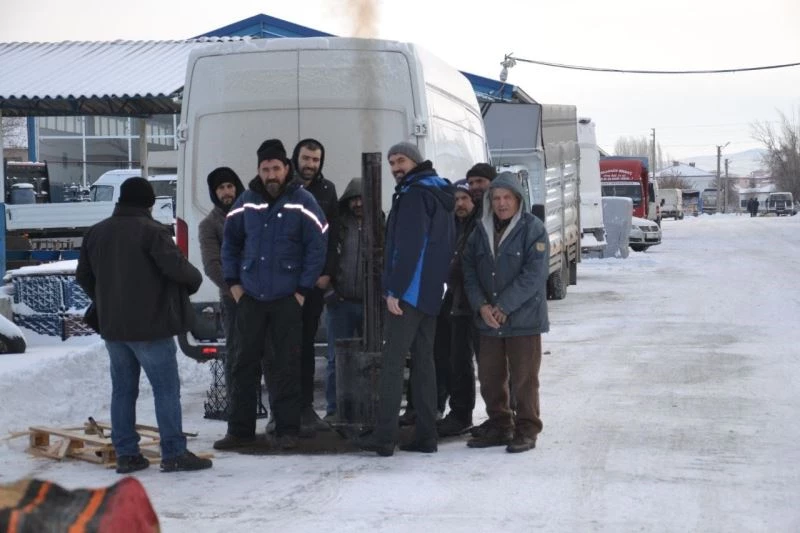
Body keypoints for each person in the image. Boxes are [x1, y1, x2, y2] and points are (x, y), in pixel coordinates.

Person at [76, 177, 212, 473]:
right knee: (166, 390)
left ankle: (126, 455)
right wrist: (194, 281)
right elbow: (179, 271)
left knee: (122, 391)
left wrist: (106, 300)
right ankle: (174, 453)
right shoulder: (153, 232)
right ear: (149, 203)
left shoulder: (96, 233)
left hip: (113, 329)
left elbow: (84, 276)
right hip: (151, 327)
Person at [213, 139, 328, 451]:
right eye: (265, 169)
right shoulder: (246, 202)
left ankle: (287, 429)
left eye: (276, 167)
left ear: (286, 168)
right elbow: (230, 245)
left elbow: (317, 248)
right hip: (250, 298)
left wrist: (302, 291)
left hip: (287, 300)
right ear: (259, 171)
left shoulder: (303, 201)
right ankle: (240, 431)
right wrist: (234, 284)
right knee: (242, 364)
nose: (271, 174)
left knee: (286, 365)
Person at [357, 142, 455, 456]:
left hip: (408, 294)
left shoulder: (414, 195)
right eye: (391, 162)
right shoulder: (440, 193)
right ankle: (427, 436)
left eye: (401, 160)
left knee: (392, 364)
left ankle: (384, 437)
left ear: (415, 161)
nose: (396, 167)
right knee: (425, 363)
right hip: (429, 293)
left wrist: (394, 290)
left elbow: (408, 248)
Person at [462, 171, 550, 453]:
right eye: (496, 198)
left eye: (507, 198)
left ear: (517, 200)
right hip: (488, 319)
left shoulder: (533, 228)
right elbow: (470, 271)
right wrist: (481, 305)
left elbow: (534, 275)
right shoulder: (480, 230)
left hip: (522, 319)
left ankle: (527, 428)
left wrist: (504, 306)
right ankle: (500, 424)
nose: (501, 204)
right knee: (489, 377)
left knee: (524, 378)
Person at [290, 138, 339, 433]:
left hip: (313, 283)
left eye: (316, 160)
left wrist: (327, 272)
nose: (310, 164)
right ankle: (283, 411)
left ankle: (306, 408)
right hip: (283, 283)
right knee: (281, 348)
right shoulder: (284, 187)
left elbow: (332, 235)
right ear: (296, 158)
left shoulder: (327, 190)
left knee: (307, 346)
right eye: (306, 158)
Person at [324, 177, 381, 420]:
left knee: (371, 360)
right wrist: (329, 294)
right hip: (341, 303)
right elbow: (323, 257)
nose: (358, 203)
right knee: (335, 360)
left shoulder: (382, 224)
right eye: (354, 199)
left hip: (372, 306)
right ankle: (335, 410)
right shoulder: (337, 226)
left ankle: (370, 409)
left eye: (363, 198)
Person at [436, 179, 480, 437]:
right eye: (456, 199)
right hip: (453, 303)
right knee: (455, 361)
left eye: (464, 198)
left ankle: (503, 416)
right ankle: (460, 413)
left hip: (472, 303)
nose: (460, 204)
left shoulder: (477, 228)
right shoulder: (450, 227)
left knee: (486, 365)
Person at [198, 167, 245, 393]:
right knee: (237, 355)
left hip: (263, 295)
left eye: (230, 186)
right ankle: (237, 409)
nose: (227, 192)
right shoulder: (210, 224)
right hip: (233, 300)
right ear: (214, 193)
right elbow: (212, 265)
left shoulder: (252, 214)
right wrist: (234, 289)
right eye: (221, 188)